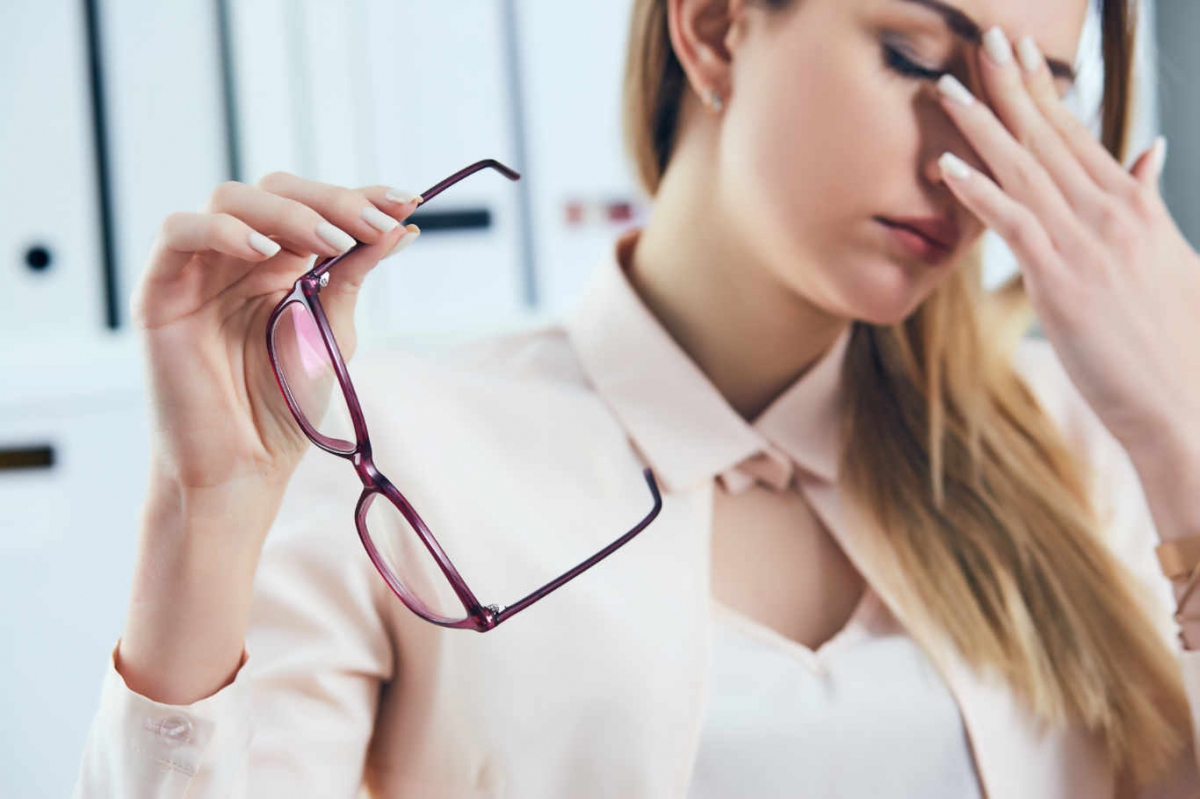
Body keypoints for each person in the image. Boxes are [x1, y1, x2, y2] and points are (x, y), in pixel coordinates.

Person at [72, 0, 1200, 796]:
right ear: (712, 27)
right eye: (915, 59)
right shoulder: (394, 459)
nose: (970, 155)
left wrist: (1182, 434)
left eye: (1035, 97)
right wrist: (203, 511)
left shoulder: (1095, 450)